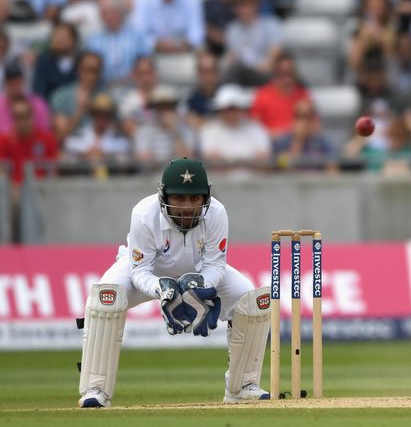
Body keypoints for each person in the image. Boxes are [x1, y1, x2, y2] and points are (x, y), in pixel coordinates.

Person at [77, 157, 273, 408]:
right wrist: (161, 288)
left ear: (205, 198)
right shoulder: (144, 214)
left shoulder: (217, 213)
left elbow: (216, 265)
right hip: (148, 272)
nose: (187, 206)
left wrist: (199, 283)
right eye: (179, 198)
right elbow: (139, 269)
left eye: (194, 199)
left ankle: (242, 386)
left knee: (252, 299)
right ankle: (96, 389)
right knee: (107, 297)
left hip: (199, 270)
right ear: (164, 196)